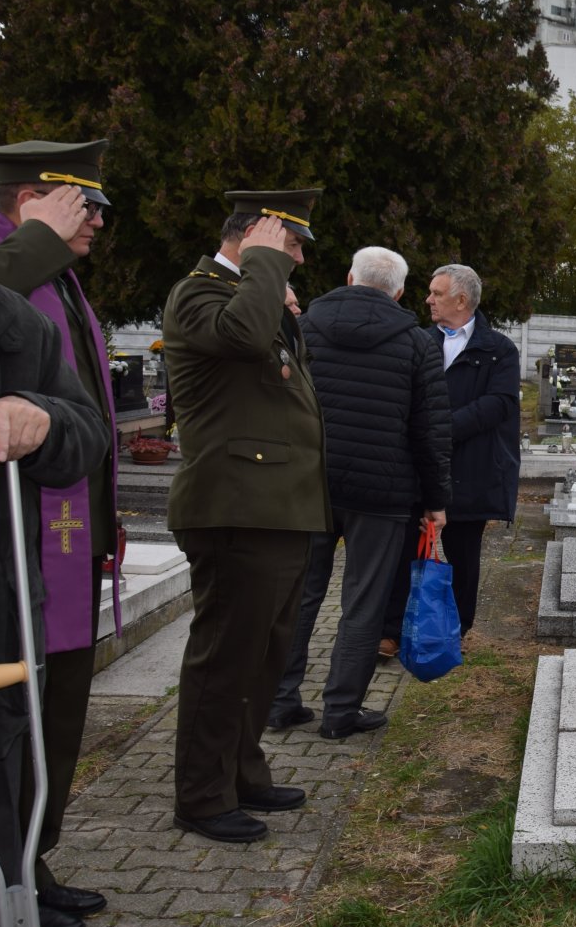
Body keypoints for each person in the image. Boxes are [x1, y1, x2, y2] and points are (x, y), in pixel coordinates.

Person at [0, 139, 118, 927]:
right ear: (30, 202)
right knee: (16, 713)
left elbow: (79, 407)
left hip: (53, 526)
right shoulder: (2, 254)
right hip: (6, 539)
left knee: (46, 708)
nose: (96, 222)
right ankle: (11, 874)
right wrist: (35, 239)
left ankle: (30, 864)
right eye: (82, 206)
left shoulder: (53, 277)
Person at [161, 189, 329, 844]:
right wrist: (263, 270)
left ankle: (241, 772)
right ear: (254, 237)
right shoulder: (197, 293)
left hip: (278, 508)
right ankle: (202, 797)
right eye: (291, 245)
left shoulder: (254, 298)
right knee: (225, 659)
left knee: (263, 657)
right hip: (234, 507)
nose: (298, 260)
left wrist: (271, 292)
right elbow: (241, 338)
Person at [268, 247, 450, 738]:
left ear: (349, 278)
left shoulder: (302, 328)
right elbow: (430, 432)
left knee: (299, 596)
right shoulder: (416, 343)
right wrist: (435, 501)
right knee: (364, 602)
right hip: (381, 491)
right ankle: (340, 711)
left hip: (309, 484)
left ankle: (279, 702)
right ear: (399, 292)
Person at [387, 263, 518, 640]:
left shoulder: (499, 349)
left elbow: (500, 403)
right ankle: (393, 630)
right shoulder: (417, 341)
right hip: (417, 469)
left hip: (470, 470)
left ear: (461, 300)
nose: (428, 299)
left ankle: (455, 630)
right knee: (405, 553)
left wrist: (442, 427)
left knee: (462, 556)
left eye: (436, 293)